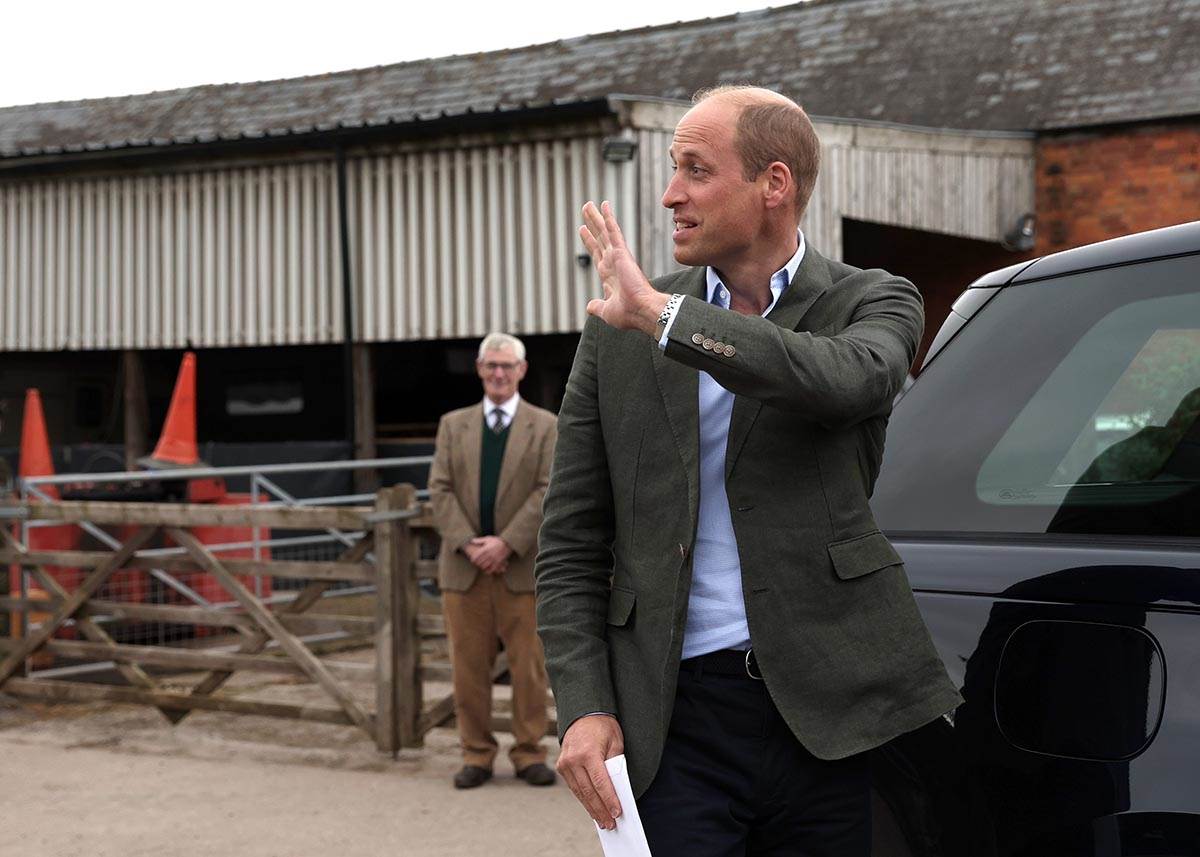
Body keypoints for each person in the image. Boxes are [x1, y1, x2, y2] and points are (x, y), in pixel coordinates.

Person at [535, 86, 962, 855]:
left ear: (774, 184)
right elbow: (569, 540)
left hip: (829, 714)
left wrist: (670, 321)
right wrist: (584, 702)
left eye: (696, 170)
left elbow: (842, 379)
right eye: (672, 169)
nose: (670, 195)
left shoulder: (873, 300)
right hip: (675, 715)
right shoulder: (616, 330)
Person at [428, 332, 558, 789]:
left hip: (521, 568)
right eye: (491, 366)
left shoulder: (545, 426)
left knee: (529, 669)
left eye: (507, 365)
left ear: (522, 371)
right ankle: (476, 754)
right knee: (468, 671)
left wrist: (506, 543)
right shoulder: (453, 424)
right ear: (479, 370)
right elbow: (439, 490)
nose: (499, 374)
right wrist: (469, 544)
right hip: (464, 571)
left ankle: (529, 752)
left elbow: (548, 489)